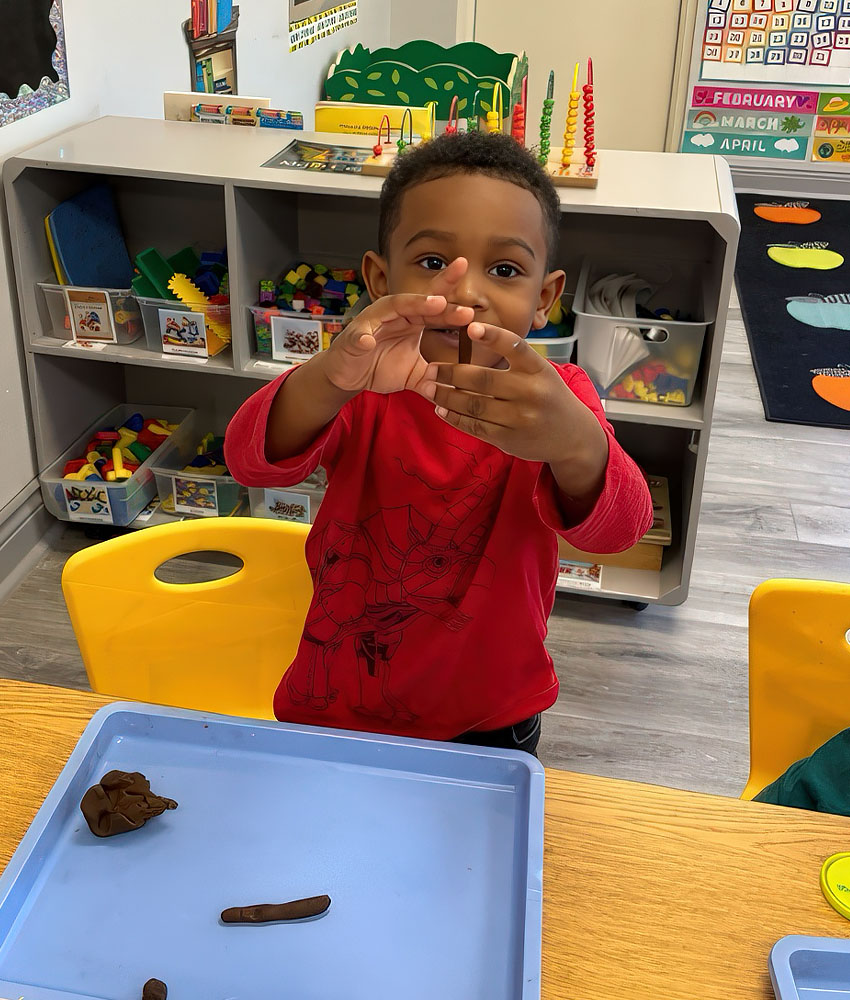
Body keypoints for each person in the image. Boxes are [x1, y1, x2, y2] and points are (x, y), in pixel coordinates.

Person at [225, 131, 653, 755]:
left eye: (505, 270)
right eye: (432, 263)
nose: (467, 291)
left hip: (491, 717)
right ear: (379, 277)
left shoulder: (556, 399)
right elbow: (251, 463)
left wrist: (576, 446)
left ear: (546, 298)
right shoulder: (363, 381)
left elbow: (620, 530)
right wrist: (328, 376)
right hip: (340, 701)